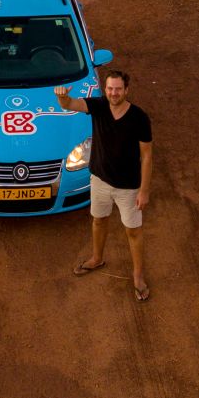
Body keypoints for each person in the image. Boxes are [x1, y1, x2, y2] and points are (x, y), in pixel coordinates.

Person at [55, 69, 153, 301]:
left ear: (126, 90)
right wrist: (61, 96)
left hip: (128, 186)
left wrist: (144, 190)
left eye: (118, 89)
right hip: (99, 180)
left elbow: (147, 156)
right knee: (99, 220)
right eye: (110, 88)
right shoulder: (98, 106)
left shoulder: (139, 118)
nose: (113, 93)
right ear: (106, 89)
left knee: (133, 231)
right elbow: (69, 104)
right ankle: (97, 258)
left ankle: (138, 275)